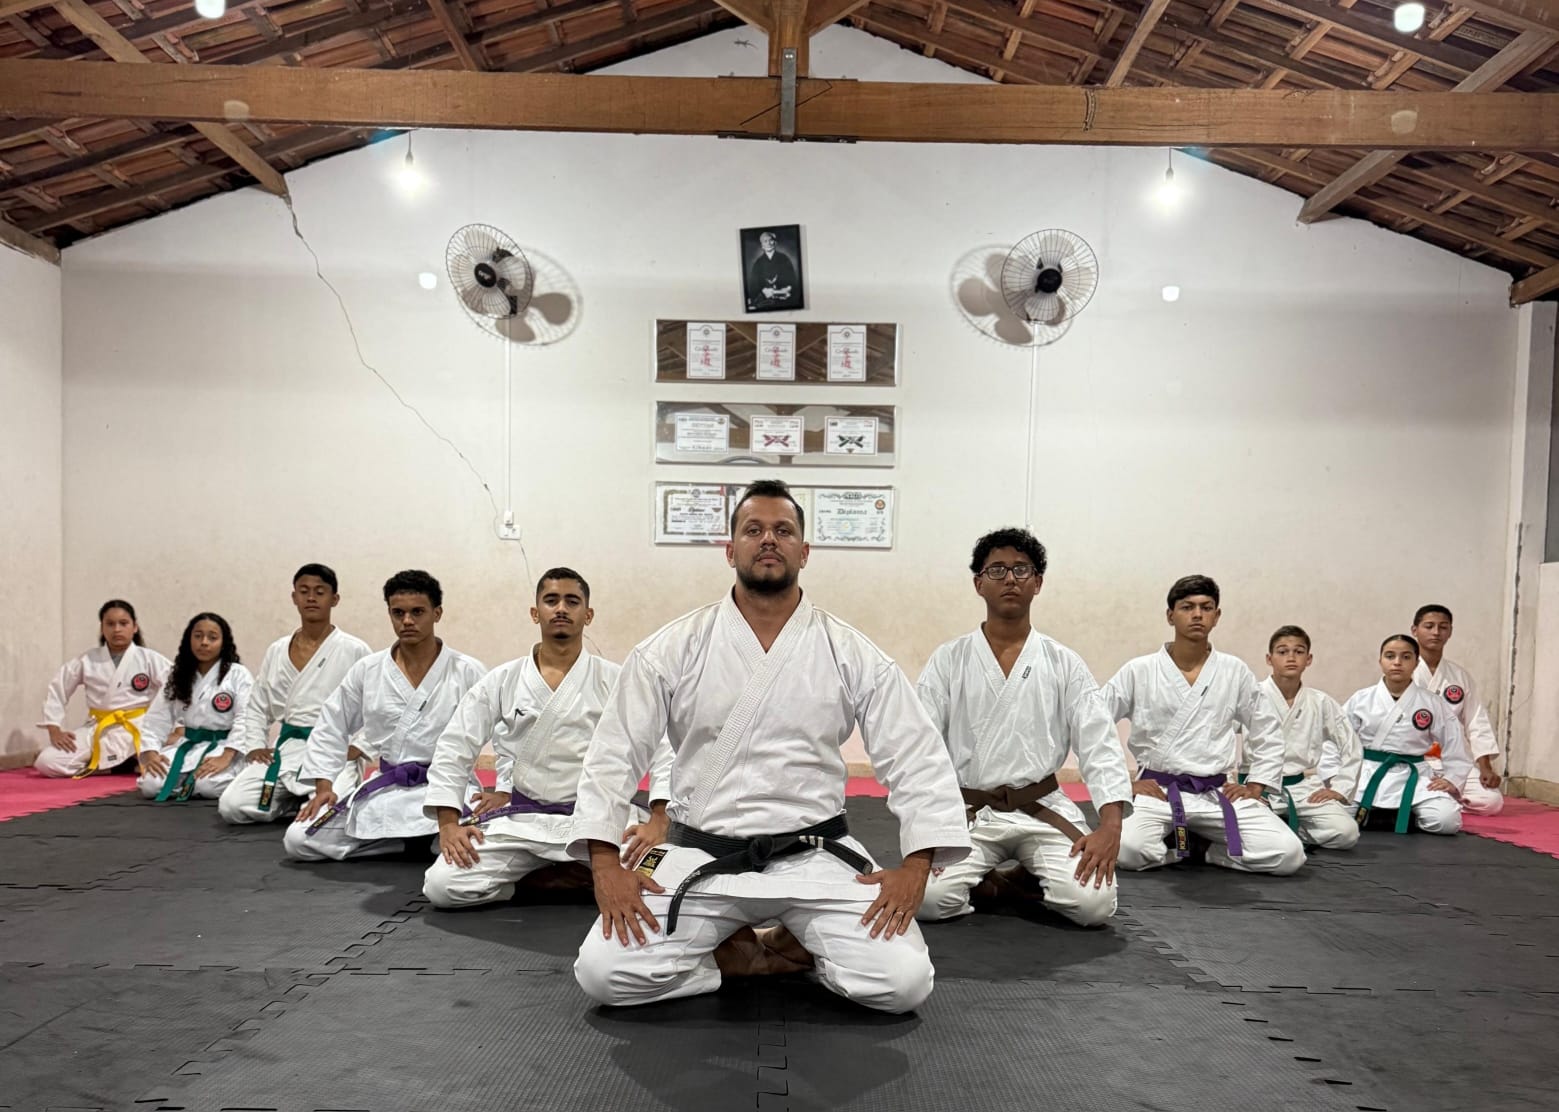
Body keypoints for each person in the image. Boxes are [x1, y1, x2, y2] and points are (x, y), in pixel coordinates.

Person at [569, 479, 970, 1014]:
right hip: (695, 851)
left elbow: (917, 758)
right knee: (604, 973)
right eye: (752, 529)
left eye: (783, 530)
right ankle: (744, 956)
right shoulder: (671, 648)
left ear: (804, 552)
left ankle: (773, 945)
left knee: (903, 983)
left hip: (817, 856)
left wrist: (915, 868)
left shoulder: (851, 653)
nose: (768, 540)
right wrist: (605, 868)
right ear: (729, 548)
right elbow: (611, 757)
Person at [915, 527, 1131, 928]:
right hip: (970, 811)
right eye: (996, 570)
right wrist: (924, 828)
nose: (1010, 579)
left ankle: (1003, 882)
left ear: (1038, 582)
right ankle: (1007, 887)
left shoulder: (1064, 662)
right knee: (928, 900)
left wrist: (1110, 825)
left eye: (1021, 569)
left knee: (1093, 906)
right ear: (978, 583)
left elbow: (1099, 744)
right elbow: (919, 748)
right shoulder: (949, 660)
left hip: (1042, 807)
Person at [424, 568, 673, 908]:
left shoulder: (615, 679)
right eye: (551, 600)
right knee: (442, 886)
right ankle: (548, 881)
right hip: (524, 822)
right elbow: (455, 744)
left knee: (662, 878)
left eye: (572, 601)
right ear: (535, 612)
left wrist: (659, 819)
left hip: (599, 820)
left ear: (588, 614)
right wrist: (448, 824)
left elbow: (663, 746)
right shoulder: (503, 680)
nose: (561, 609)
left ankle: (563, 877)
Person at [1103, 575, 1306, 875]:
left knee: (1289, 854)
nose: (1197, 614)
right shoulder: (1139, 670)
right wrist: (1123, 781)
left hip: (1217, 791)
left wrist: (1256, 784)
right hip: (1159, 791)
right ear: (1170, 615)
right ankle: (1184, 846)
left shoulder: (1234, 671)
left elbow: (1267, 728)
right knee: (1126, 849)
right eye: (1187, 607)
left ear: (1216, 616)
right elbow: (1094, 724)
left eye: (1206, 607)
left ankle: (1201, 850)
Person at [285, 570, 485, 861]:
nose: (407, 621)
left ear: (437, 613)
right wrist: (324, 786)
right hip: (389, 788)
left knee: (484, 844)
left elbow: (506, 730)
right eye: (398, 613)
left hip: (449, 789)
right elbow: (332, 722)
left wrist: (503, 789)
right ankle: (408, 844)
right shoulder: (368, 670)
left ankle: (417, 839)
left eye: (417, 612)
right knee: (299, 839)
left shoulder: (467, 670)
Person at [217, 564, 370, 824]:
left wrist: (359, 746)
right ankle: (290, 800)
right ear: (294, 597)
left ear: (334, 599)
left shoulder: (354, 650)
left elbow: (377, 707)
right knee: (232, 806)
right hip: (287, 750)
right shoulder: (277, 650)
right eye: (304, 591)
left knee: (326, 817)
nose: (311, 598)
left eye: (320, 592)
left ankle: (307, 800)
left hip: (333, 750)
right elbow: (258, 704)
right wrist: (254, 746)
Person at [1343, 633, 1472, 836]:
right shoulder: (1361, 699)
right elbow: (1337, 740)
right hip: (1367, 772)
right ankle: (1393, 816)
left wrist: (1451, 778)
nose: (1397, 662)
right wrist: (1334, 775)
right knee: (1336, 818)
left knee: (1447, 821)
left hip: (1414, 775)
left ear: (1416, 662)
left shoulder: (1431, 702)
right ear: (1380, 661)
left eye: (1405, 657)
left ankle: (1386, 816)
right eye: (1390, 656)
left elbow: (1454, 741)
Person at [1246, 626, 1361, 850]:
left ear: (1308, 659)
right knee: (1243, 831)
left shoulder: (1320, 701)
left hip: (1301, 787)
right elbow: (1223, 737)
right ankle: (1280, 831)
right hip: (1257, 788)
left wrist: (1340, 787)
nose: (1291, 657)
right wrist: (1230, 783)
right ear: (1269, 659)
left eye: (1298, 652)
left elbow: (1351, 746)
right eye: (1282, 651)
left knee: (1346, 833)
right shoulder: (1252, 696)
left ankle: (1284, 829)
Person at [36, 599, 172, 778]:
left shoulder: (149, 658)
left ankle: (126, 761)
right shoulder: (87, 660)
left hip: (140, 726)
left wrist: (177, 727)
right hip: (100, 728)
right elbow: (58, 688)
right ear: (102, 628)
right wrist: (54, 729)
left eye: (123, 623)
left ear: (134, 627)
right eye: (110, 624)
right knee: (46, 762)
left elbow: (177, 687)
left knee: (169, 764)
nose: (117, 629)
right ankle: (118, 767)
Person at [135, 612, 253, 802]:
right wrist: (150, 752)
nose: (204, 642)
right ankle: (186, 782)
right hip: (188, 745)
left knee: (208, 786)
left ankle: (191, 783)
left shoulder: (238, 674)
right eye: (198, 636)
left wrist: (226, 756)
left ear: (223, 643)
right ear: (189, 639)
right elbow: (157, 718)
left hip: (224, 746)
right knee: (150, 785)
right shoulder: (178, 674)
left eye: (212, 637)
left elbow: (245, 718)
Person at [1409, 604, 1504, 815]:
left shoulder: (1460, 677)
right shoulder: (1404, 673)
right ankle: (1440, 803)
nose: (1436, 632)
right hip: (1415, 759)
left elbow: (1476, 722)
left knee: (1491, 802)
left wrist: (1485, 767)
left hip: (1452, 759)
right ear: (1414, 630)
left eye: (1443, 627)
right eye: (1429, 626)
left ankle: (1441, 802)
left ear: (1450, 632)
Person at [746, 231, 798, 311]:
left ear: (775, 242)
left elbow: (792, 280)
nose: (768, 243)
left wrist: (787, 288)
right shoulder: (758, 263)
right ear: (762, 245)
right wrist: (764, 291)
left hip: (784, 298)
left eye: (771, 240)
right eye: (765, 241)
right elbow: (754, 285)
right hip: (766, 300)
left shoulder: (784, 259)